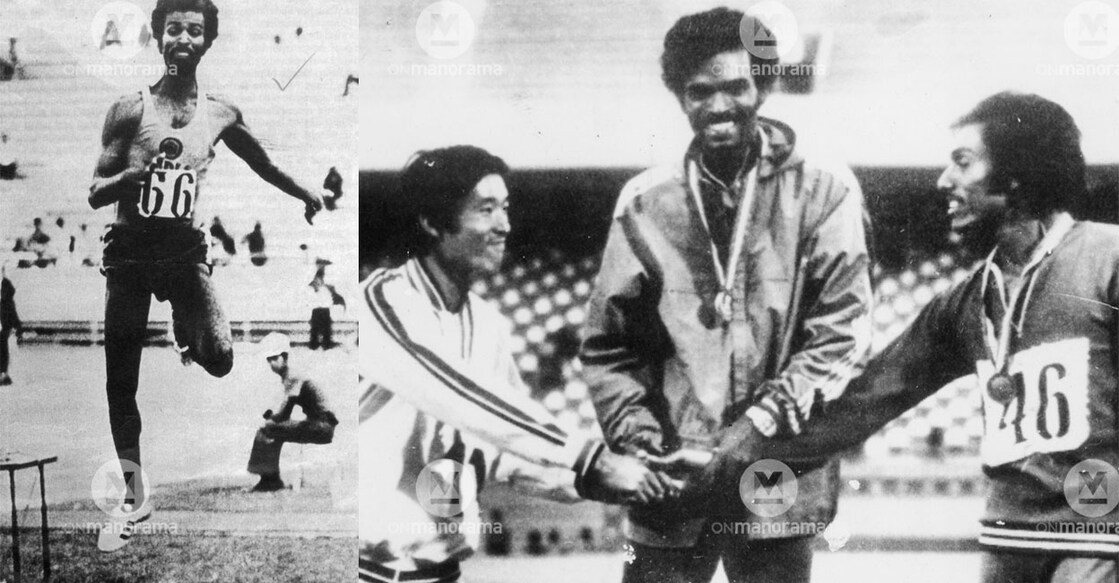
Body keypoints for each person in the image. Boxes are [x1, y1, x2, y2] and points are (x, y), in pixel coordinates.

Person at [670, 92, 1116, 583]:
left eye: (962, 162)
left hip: (1099, 538)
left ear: (1016, 177)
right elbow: (864, 403)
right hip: (1007, 544)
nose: (944, 180)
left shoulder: (1106, 261)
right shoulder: (963, 303)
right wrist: (729, 458)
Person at [580, 8, 873, 583]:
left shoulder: (826, 189)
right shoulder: (642, 202)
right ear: (679, 97)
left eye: (736, 86)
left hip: (774, 467)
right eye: (699, 91)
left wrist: (750, 434)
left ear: (763, 86)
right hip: (670, 472)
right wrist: (642, 448)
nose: (718, 106)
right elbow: (609, 348)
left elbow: (842, 334)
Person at [359, 145, 679, 583]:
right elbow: (461, 396)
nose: (504, 225)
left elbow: (503, 450)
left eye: (505, 208)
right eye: (485, 209)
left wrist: (586, 482)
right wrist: (591, 458)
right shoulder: (382, 301)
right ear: (432, 222)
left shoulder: (487, 323)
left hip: (443, 572)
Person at [88, 0, 324, 552]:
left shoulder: (219, 112)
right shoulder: (129, 109)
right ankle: (133, 494)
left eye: (195, 31)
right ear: (159, 38)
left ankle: (184, 325)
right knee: (120, 380)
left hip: (184, 254)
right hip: (129, 253)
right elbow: (96, 191)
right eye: (174, 29)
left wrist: (306, 192)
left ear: (207, 42)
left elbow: (262, 163)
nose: (184, 39)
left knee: (219, 360)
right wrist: (130, 176)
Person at [246, 332, 338, 492]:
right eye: (269, 360)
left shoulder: (293, 375)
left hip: (321, 427)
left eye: (274, 359)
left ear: (284, 357)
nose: (271, 364)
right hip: (320, 424)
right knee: (272, 428)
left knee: (266, 430)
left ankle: (270, 480)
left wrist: (272, 419)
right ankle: (269, 478)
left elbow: (285, 411)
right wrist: (274, 418)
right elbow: (285, 409)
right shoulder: (291, 375)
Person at [306, 264, 341, 349]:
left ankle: (326, 343)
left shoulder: (327, 287)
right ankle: (315, 344)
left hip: (324, 309)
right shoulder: (313, 285)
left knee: (326, 328)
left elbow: (330, 298)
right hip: (317, 309)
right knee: (315, 329)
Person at [0, 266, 22, 386]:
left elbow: (11, 311)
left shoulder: (6, 288)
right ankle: (3, 373)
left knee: (2, 348)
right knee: (3, 349)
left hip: (3, 325)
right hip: (4, 325)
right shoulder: (7, 289)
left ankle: (3, 373)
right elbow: (12, 312)